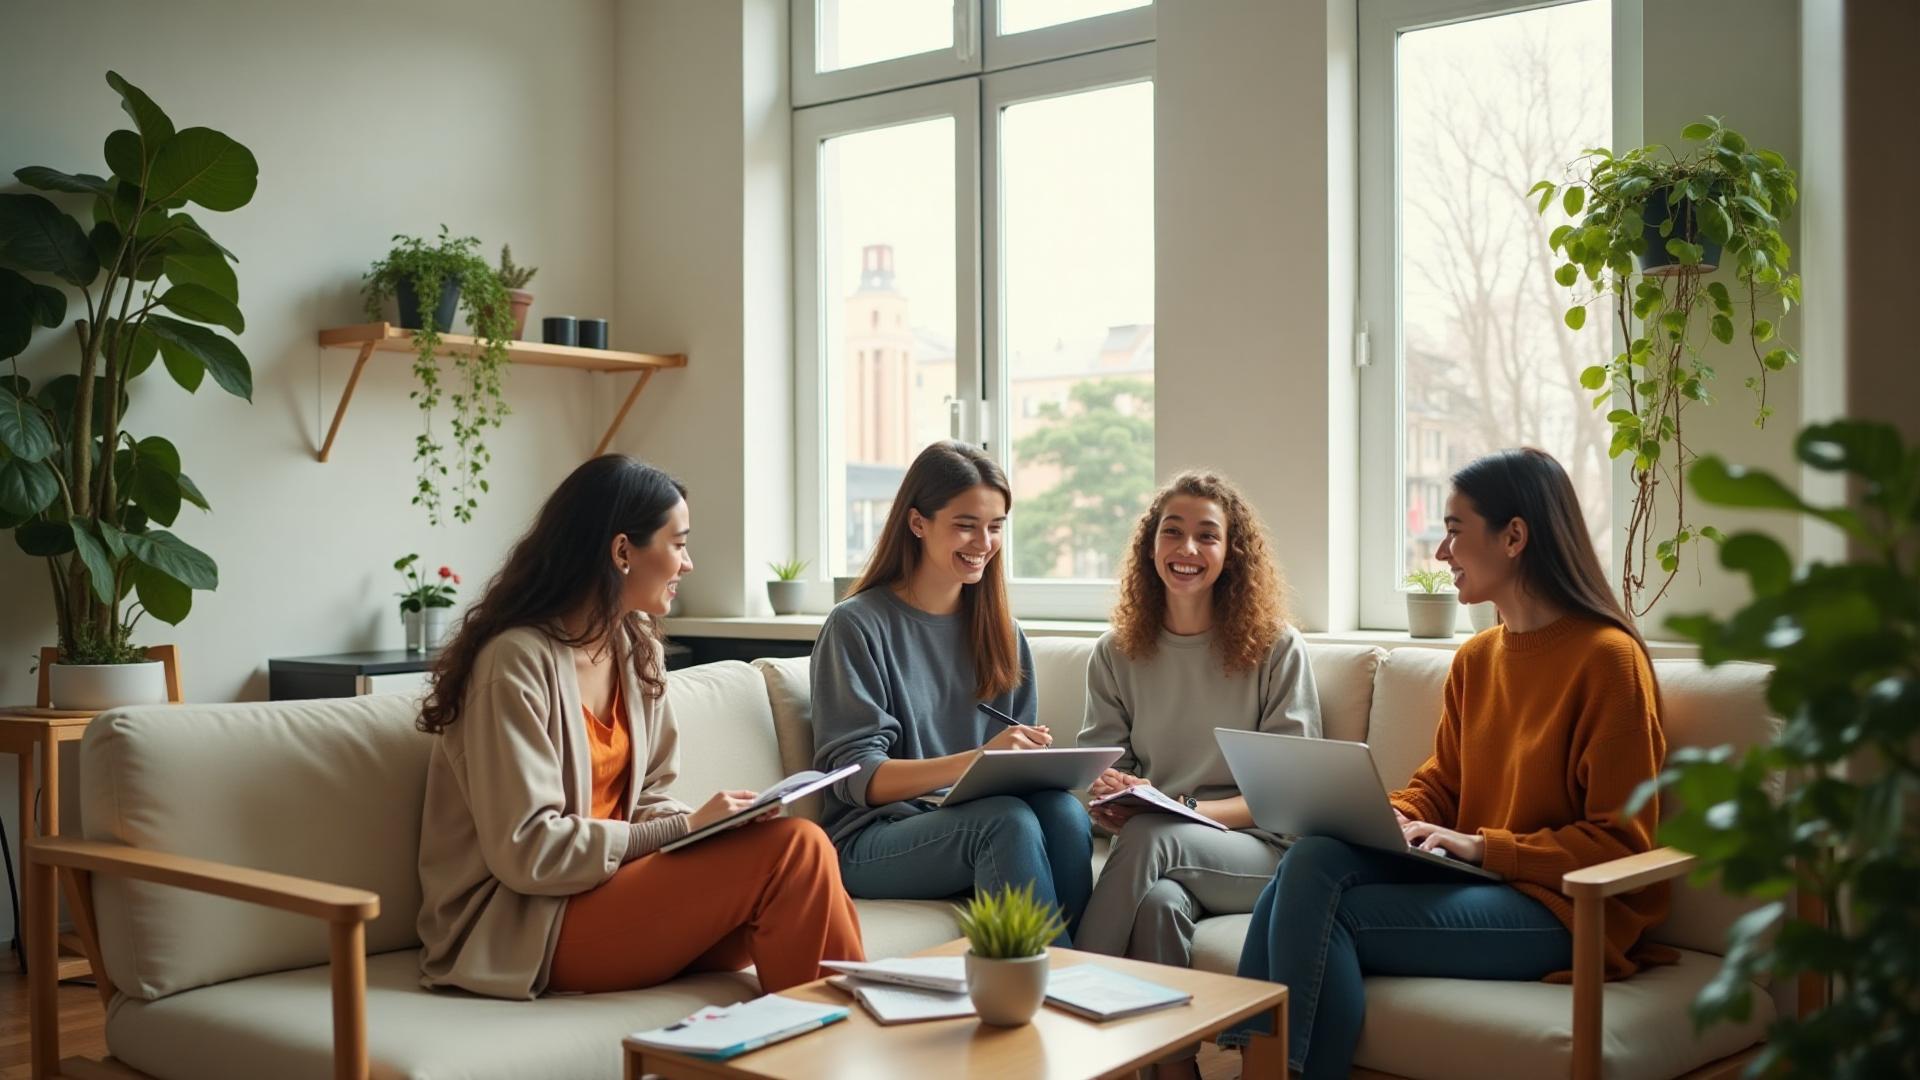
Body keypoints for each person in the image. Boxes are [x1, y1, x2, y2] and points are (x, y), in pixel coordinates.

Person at [1224, 447, 1671, 1079]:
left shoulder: (1608, 660)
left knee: (1324, 911)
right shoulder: (1478, 657)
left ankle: (1268, 1071)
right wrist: (1382, 818)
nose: (1441, 555)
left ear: (1514, 536)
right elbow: (1442, 784)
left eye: (1455, 532)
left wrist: (1485, 849)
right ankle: (1266, 1070)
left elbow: (1623, 842)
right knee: (1311, 856)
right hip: (1480, 884)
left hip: (1563, 911)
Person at [416, 455, 864, 1000]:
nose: (689, 563)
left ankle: (838, 1041)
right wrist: (684, 828)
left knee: (796, 863)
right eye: (678, 544)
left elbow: (648, 796)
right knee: (797, 849)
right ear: (623, 550)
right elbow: (529, 851)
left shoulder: (634, 647)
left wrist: (716, 828)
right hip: (529, 923)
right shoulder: (514, 663)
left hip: (610, 892)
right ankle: (854, 1044)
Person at [1077, 471, 1322, 1080]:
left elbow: (1291, 794)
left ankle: (1068, 1004)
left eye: (1207, 536)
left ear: (1230, 551)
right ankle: (1176, 1066)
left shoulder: (1275, 647)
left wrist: (1176, 809)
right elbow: (1103, 771)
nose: (1187, 550)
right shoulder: (1115, 652)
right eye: (1173, 532)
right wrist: (1111, 799)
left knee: (1152, 836)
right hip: (1163, 850)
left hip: (1261, 850)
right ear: (1150, 546)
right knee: (1158, 904)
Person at [811, 440, 1092, 940]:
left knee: (1065, 813)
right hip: (874, 839)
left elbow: (1011, 775)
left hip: (962, 820)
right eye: (965, 524)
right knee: (1004, 822)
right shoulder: (856, 626)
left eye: (995, 526)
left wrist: (1029, 761)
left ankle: (1086, 970)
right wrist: (981, 757)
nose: (983, 541)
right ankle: (1062, 988)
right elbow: (855, 779)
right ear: (918, 523)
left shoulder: (1002, 631)